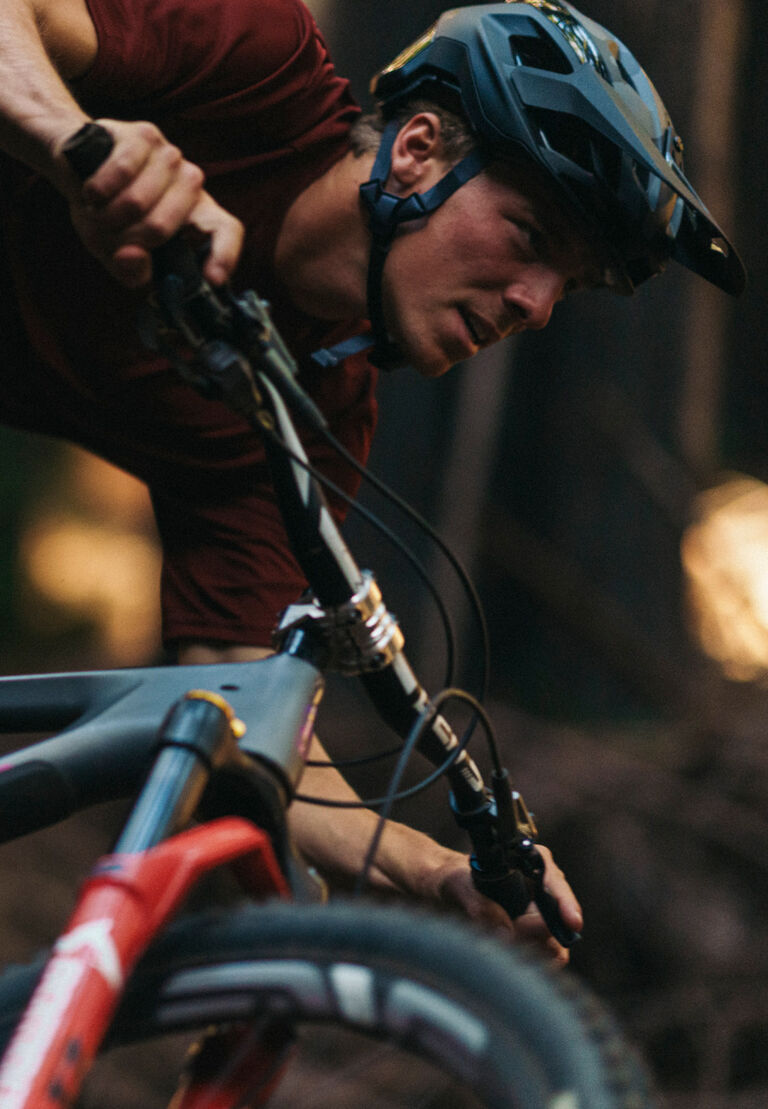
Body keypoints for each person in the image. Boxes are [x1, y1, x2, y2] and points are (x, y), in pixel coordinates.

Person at [0, 0, 743, 964]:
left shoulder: (311, 410)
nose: (537, 306)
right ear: (418, 151)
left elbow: (240, 699)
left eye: (568, 285)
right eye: (529, 237)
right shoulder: (254, 64)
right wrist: (75, 144)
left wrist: (434, 869)